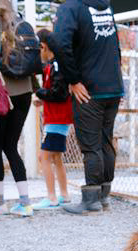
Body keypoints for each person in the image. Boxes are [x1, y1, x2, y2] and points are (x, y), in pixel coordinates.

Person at [52, 0, 124, 214]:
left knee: (91, 145)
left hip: (89, 89)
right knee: (105, 142)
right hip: (113, 87)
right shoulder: (106, 6)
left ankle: (91, 200)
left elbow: (60, 43)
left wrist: (73, 80)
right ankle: (103, 196)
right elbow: (116, 47)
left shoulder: (71, 8)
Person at [0, 15, 40, 217]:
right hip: (25, 92)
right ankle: (25, 203)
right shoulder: (22, 25)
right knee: (11, 146)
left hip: (4, 93)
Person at [31, 29, 73, 210]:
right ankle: (64, 195)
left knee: (44, 157)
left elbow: (59, 93)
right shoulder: (56, 64)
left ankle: (51, 197)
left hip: (57, 119)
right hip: (59, 117)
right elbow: (57, 92)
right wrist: (44, 99)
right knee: (56, 157)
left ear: (43, 46)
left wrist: (40, 92)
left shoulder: (56, 66)